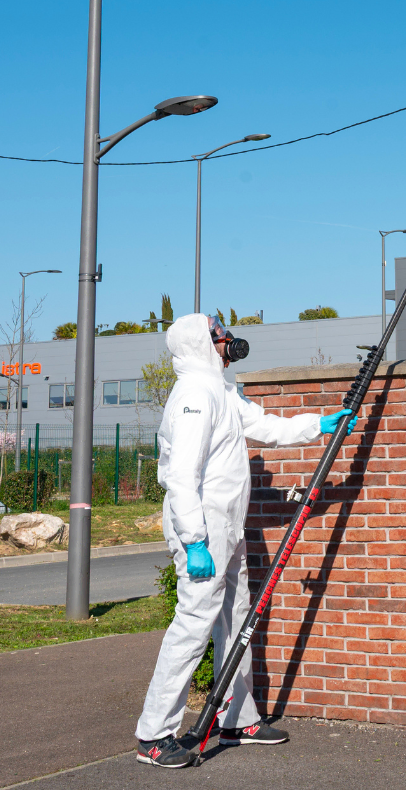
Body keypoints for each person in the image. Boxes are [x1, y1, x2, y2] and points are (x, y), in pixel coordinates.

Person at [135, 313, 351, 769]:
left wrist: (320, 424)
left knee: (237, 618)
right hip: (203, 528)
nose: (227, 338)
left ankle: (238, 719)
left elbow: (267, 426)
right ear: (201, 342)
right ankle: (154, 735)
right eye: (218, 333)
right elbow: (181, 476)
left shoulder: (221, 390)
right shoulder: (195, 395)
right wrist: (195, 540)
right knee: (193, 623)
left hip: (228, 526)